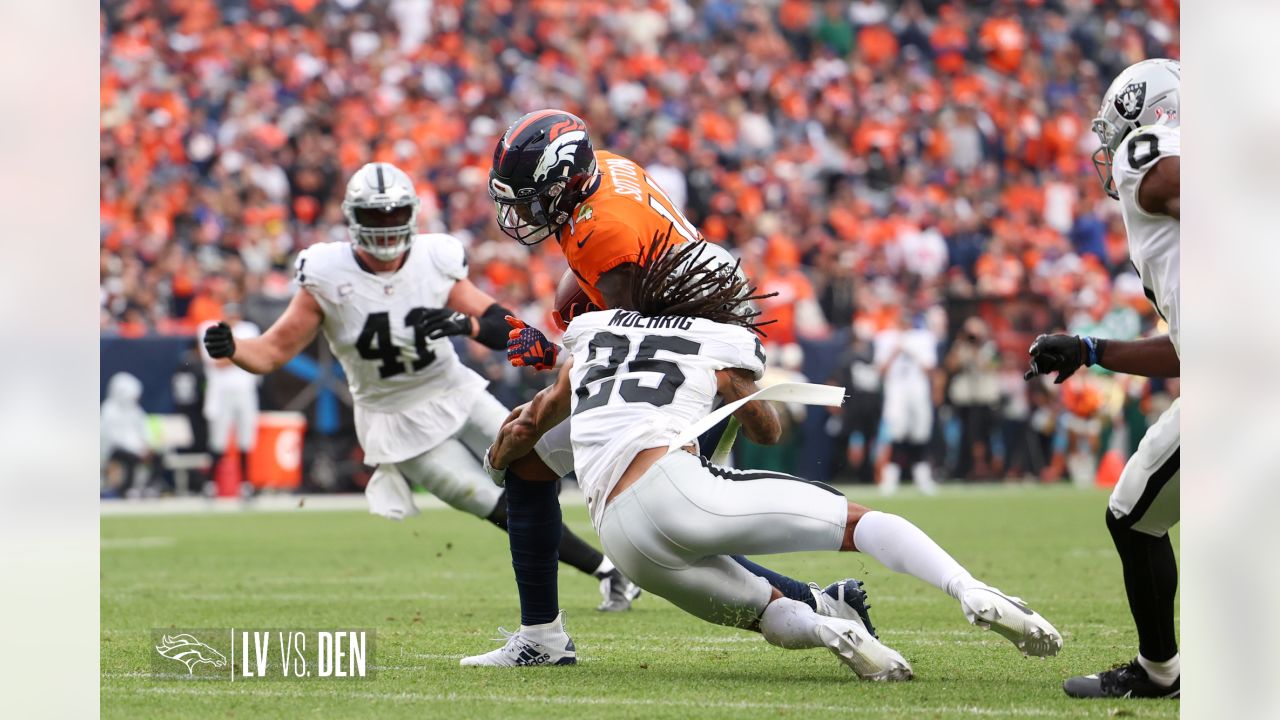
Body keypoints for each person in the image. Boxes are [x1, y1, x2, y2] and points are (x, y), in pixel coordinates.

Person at [488, 240, 1063, 678]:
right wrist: (740, 391)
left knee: (768, 612)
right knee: (860, 524)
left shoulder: (587, 331)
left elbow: (523, 433)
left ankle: (831, 631)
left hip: (619, 535)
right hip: (674, 486)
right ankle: (970, 590)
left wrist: (497, 454)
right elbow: (766, 430)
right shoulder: (718, 338)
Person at [463, 109, 871, 666]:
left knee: (653, 521)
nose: (523, 213)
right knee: (603, 493)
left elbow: (629, 350)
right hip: (697, 322)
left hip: (693, 350)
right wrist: (564, 325)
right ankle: (542, 637)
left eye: (532, 198)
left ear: (565, 182)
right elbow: (598, 295)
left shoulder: (605, 233)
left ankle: (820, 602)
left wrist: (556, 351)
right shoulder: (602, 172)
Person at [201, 161, 638, 611]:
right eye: (376, 216)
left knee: (549, 461)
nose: (387, 227)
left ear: (410, 213)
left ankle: (639, 546)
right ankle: (608, 570)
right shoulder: (326, 274)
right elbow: (272, 352)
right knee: (487, 500)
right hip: (393, 417)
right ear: (354, 219)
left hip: (454, 389)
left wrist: (467, 325)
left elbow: (497, 322)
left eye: (394, 215)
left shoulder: (434, 258)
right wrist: (234, 347)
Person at [1026, 58, 1181, 700]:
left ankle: (1159, 674)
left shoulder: (1146, 151)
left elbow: (1179, 176)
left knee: (1133, 516)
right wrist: (1091, 348)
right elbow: (1184, 351)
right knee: (1133, 512)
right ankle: (1159, 671)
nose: (1108, 152)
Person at [198, 303, 261, 497]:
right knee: (217, 440)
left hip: (245, 391)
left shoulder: (249, 329)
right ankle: (210, 485)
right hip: (221, 393)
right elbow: (217, 363)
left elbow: (255, 357)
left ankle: (246, 485)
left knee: (246, 439)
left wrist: (233, 354)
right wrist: (240, 354)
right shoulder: (209, 328)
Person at [875, 310, 938, 495]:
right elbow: (881, 371)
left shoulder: (923, 338)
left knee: (920, 432)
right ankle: (890, 478)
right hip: (896, 391)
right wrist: (895, 351)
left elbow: (929, 368)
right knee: (896, 432)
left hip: (917, 390)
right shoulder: (885, 338)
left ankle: (923, 478)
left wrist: (910, 350)